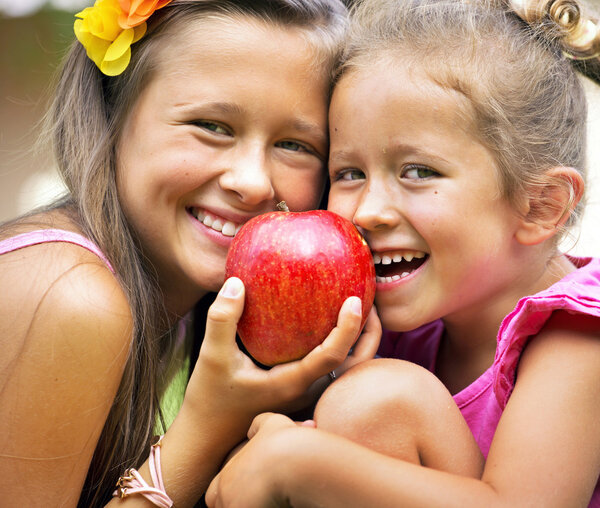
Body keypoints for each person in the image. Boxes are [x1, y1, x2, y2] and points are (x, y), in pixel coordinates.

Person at [205, 0, 600, 506]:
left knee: (378, 399)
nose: (368, 211)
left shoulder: (574, 333)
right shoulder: (399, 326)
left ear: (540, 206)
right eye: (349, 174)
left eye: (417, 171)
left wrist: (295, 460)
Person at [0, 1, 382, 506]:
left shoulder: (192, 313)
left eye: (295, 145)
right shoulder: (69, 296)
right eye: (212, 126)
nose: (250, 182)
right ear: (113, 116)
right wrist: (208, 424)